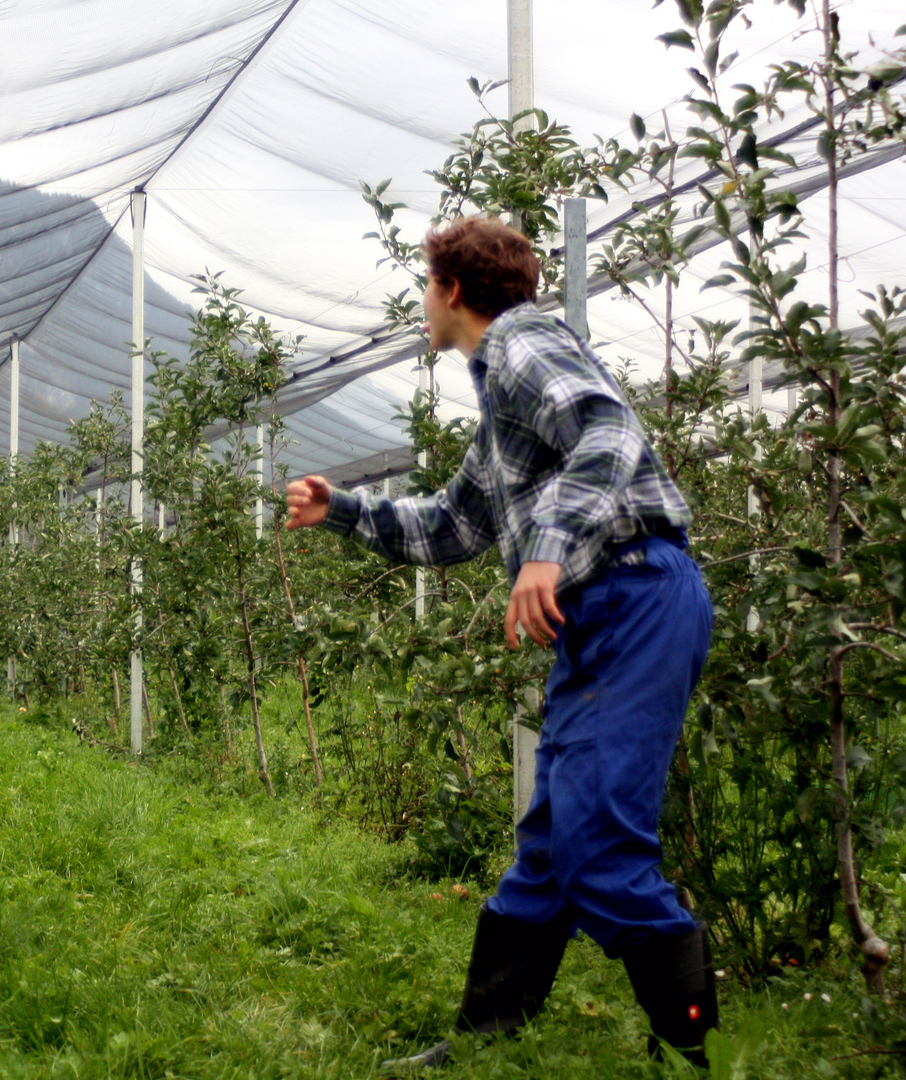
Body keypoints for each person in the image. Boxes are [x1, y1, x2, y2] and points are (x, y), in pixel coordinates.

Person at [285, 217, 715, 1068]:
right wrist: (340, 508)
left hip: (634, 593)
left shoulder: (522, 342)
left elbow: (612, 432)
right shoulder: (501, 399)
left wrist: (548, 550)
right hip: (603, 609)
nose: (421, 301)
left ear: (451, 290)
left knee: (598, 841)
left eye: (423, 285)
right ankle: (487, 1045)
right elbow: (452, 526)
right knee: (554, 843)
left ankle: (699, 1050)